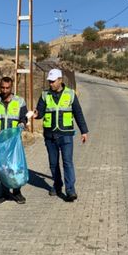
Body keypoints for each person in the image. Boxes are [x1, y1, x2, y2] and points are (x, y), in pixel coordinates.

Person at [33, 68, 88, 202]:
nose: (50, 84)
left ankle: (70, 190)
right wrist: (36, 114)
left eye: (53, 81)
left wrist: (84, 131)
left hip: (66, 135)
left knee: (67, 162)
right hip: (50, 135)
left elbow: (78, 113)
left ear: (60, 80)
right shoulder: (45, 95)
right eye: (49, 81)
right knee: (53, 164)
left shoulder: (70, 94)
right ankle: (57, 185)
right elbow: (40, 111)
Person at [0, 76, 29, 205]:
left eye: (7, 88)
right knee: (2, 167)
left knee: (15, 166)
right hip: (0, 140)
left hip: (14, 140)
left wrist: (22, 123)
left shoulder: (20, 101)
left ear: (11, 87)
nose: (4, 90)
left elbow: (24, 117)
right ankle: (4, 193)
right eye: (2, 87)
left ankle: (17, 192)